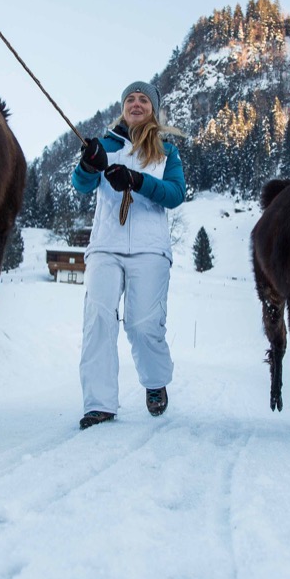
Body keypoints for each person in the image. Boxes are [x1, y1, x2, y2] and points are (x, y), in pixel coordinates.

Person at [71, 81, 187, 429]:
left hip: (150, 249)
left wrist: (137, 181)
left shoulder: (166, 150)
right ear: (122, 107)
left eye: (143, 100)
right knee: (98, 319)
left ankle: (155, 382)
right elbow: (81, 185)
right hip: (106, 245)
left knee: (143, 324)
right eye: (130, 99)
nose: (136, 104)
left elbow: (176, 194)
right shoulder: (104, 145)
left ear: (153, 109)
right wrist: (89, 166)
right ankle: (99, 403)